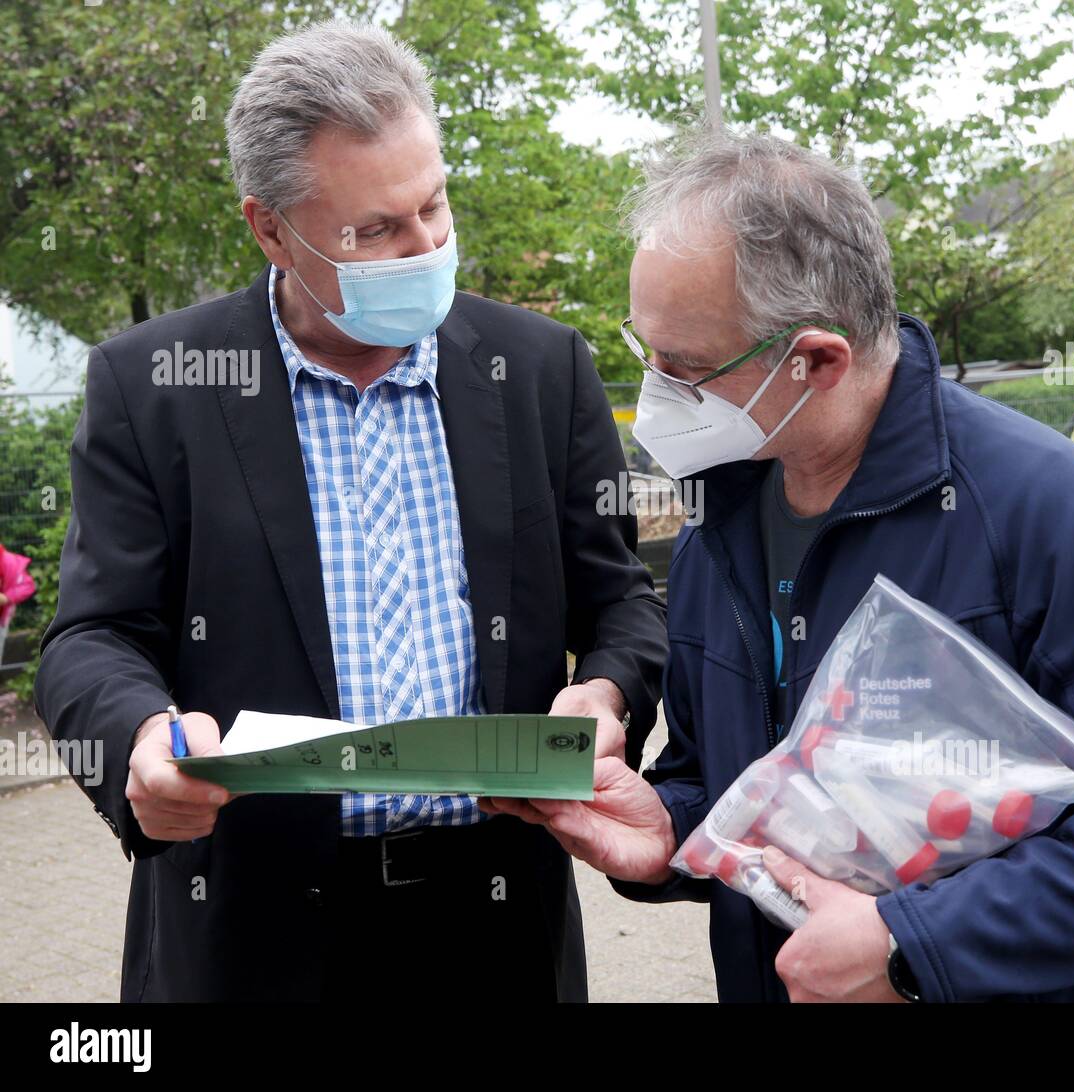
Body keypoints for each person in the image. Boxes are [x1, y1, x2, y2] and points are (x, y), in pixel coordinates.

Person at [482, 128, 1074, 1003]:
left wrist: (911, 943)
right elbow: (740, 784)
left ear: (817, 359)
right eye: (647, 355)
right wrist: (667, 832)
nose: (656, 394)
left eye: (686, 368)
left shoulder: (1047, 512)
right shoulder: (723, 518)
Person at [35, 21, 666, 1002]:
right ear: (269, 227)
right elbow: (93, 634)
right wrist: (140, 743)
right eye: (374, 230)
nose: (424, 247)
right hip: (253, 932)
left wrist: (610, 695)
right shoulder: (155, 382)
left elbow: (623, 604)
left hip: (494, 930)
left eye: (434, 205)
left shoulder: (541, 370)